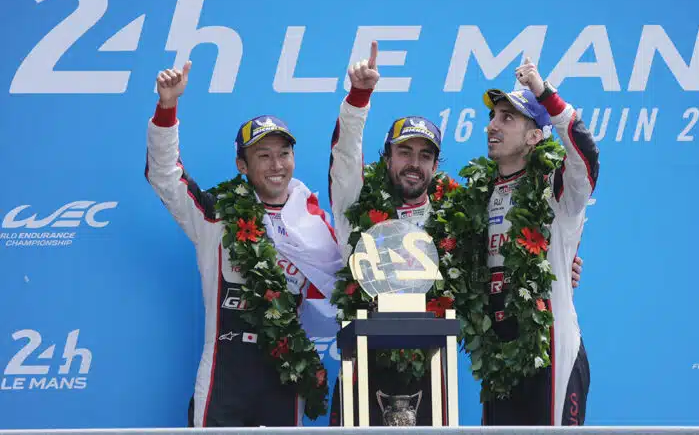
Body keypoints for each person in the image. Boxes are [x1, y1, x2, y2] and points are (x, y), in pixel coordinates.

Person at [325, 43, 586, 426]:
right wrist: (358, 97)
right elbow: (345, 157)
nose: (414, 164)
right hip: (364, 362)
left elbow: (514, 247)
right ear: (386, 158)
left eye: (425, 155)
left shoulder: (455, 215)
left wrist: (564, 264)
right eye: (404, 152)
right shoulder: (355, 206)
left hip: (433, 369)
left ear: (435, 164)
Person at [145, 61, 341, 427]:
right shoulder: (216, 216)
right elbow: (164, 175)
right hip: (224, 371)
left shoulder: (317, 225)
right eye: (263, 155)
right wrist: (167, 107)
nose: (276, 164)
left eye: (283, 153)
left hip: (284, 374)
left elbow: (339, 292)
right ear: (242, 165)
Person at [479, 58, 599, 426]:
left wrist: (544, 93)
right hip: (499, 357)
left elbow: (587, 158)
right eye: (493, 116)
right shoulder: (477, 196)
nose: (492, 126)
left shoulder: (557, 190)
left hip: (552, 354)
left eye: (507, 118)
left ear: (534, 136)